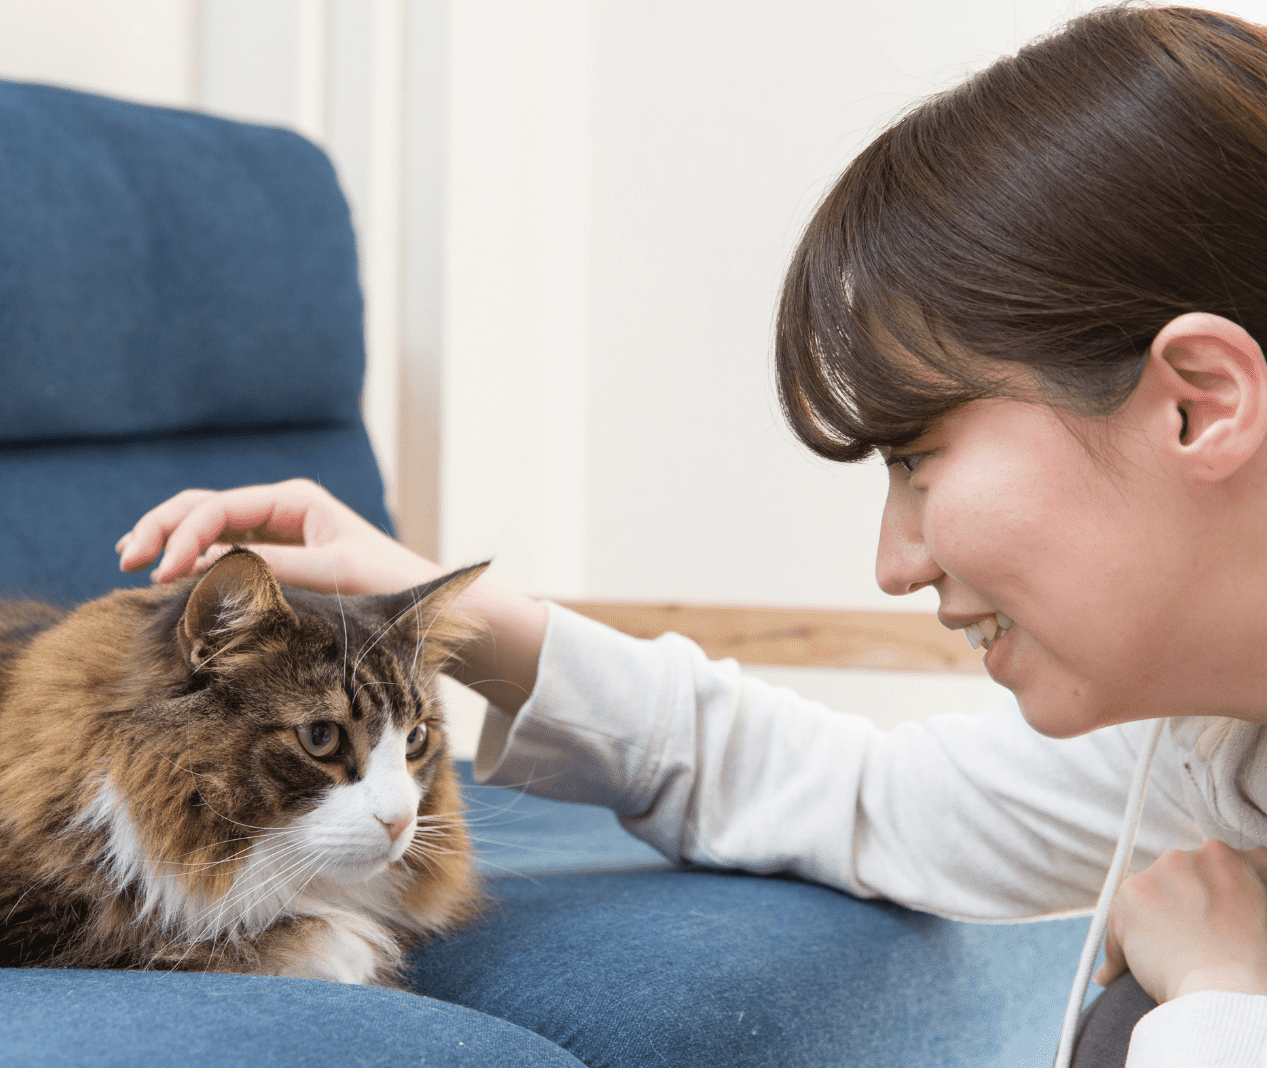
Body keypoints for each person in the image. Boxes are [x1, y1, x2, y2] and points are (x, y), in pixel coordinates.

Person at [114, 6, 1267, 1065]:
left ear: (1197, 403)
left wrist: (1219, 992)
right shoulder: (1199, 748)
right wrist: (447, 624)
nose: (893, 563)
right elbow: (865, 801)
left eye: (917, 458)